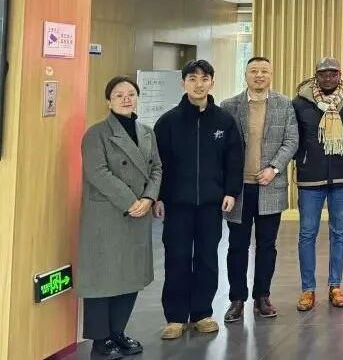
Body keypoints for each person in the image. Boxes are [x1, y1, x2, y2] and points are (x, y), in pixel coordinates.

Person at [154, 59, 243, 339]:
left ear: (212, 83)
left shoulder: (224, 121)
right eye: (192, 79)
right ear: (183, 83)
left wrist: (230, 191)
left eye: (204, 79)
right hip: (176, 204)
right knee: (177, 258)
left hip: (210, 204)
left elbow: (234, 160)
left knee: (207, 258)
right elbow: (157, 164)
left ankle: (202, 313)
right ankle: (175, 317)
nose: (198, 84)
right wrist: (158, 196)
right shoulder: (168, 122)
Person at [78, 76, 162, 359]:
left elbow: (157, 168)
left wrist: (148, 198)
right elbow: (98, 173)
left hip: (139, 213)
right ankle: (100, 342)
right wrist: (131, 202)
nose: (126, 99)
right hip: (108, 215)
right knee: (103, 278)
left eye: (131, 94)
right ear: (108, 101)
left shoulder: (147, 132)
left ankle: (118, 332)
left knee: (130, 276)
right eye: (118, 95)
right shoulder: (96, 134)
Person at [220, 57, 299, 323]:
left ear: (271, 75)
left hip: (270, 186)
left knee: (267, 246)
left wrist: (274, 168)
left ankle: (262, 296)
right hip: (238, 189)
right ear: (246, 75)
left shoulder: (284, 104)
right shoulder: (229, 106)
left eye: (264, 71)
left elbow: (291, 140)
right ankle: (236, 299)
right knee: (237, 246)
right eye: (253, 71)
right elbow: (223, 148)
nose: (259, 75)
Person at [293, 57, 343, 311]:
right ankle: (307, 289)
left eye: (333, 73)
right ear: (315, 75)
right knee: (307, 234)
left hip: (341, 178)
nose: (328, 78)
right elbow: (294, 138)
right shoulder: (300, 102)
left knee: (339, 233)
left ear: (340, 74)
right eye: (323, 74)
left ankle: (335, 286)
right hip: (310, 178)